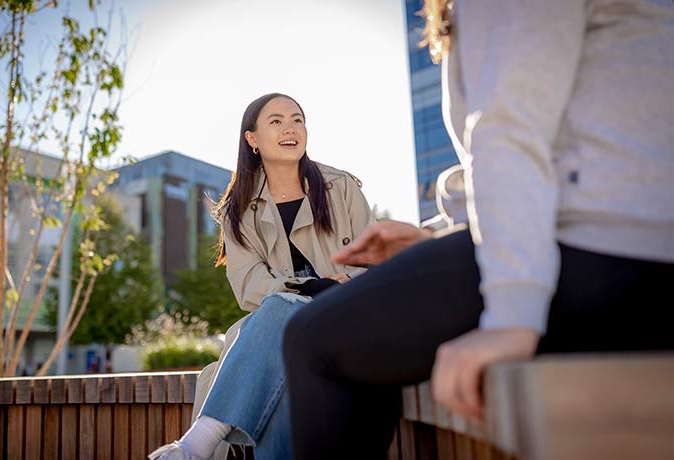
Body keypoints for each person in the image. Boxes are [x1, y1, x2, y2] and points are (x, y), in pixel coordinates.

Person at [282, 0, 674, 458]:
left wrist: (512, 317)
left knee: (315, 340)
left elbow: (509, 131)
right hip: (627, 247)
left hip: (610, 255)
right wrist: (434, 239)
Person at [148, 93, 373, 460]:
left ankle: (195, 445)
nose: (290, 128)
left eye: (298, 119)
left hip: (344, 316)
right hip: (281, 327)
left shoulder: (340, 187)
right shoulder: (238, 209)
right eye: (276, 121)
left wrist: (339, 286)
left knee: (278, 327)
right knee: (283, 333)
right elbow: (249, 284)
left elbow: (371, 257)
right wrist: (309, 289)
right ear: (252, 138)